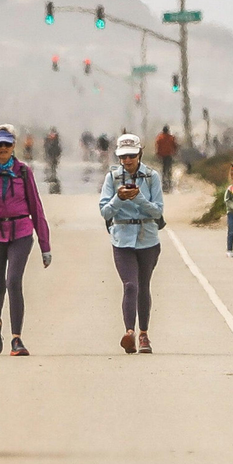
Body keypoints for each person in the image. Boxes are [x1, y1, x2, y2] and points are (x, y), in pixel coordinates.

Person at [0, 124, 52, 357]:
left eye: (7, 144)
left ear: (14, 146)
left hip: (20, 233)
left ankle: (17, 339)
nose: (2, 148)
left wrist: (45, 246)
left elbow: (36, 208)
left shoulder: (23, 171)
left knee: (13, 281)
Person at [99, 134, 164, 354]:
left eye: (131, 156)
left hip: (148, 238)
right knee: (130, 285)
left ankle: (144, 334)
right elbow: (105, 210)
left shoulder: (151, 177)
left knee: (143, 286)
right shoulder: (112, 177)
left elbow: (158, 210)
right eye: (123, 157)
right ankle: (129, 332)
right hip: (122, 238)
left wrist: (137, 198)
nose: (127, 161)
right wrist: (119, 198)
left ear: (140, 154)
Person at [155, 125, 178, 194]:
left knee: (163, 168)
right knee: (169, 167)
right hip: (169, 155)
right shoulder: (171, 137)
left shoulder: (160, 137)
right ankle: (169, 180)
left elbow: (157, 146)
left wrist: (157, 154)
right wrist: (175, 152)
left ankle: (164, 181)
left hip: (162, 155)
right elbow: (175, 145)